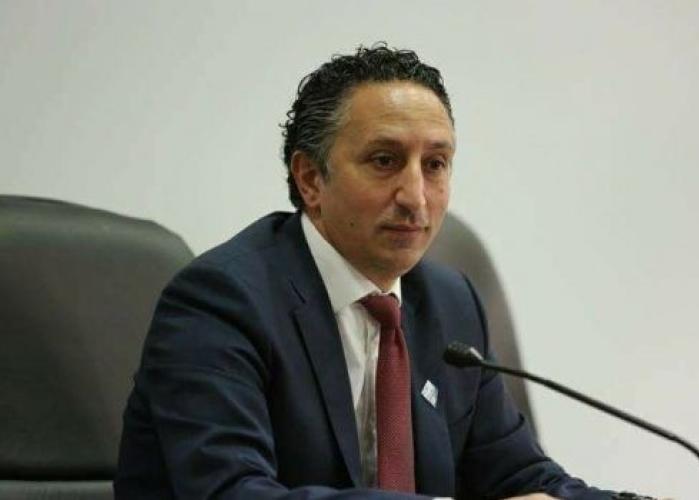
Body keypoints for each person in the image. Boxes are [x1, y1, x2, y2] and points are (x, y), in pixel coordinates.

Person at [114, 44, 617, 499]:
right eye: (384, 160)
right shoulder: (220, 301)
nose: (416, 197)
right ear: (311, 179)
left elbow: (522, 477)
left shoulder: (450, 302)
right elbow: (232, 491)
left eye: (435, 164)